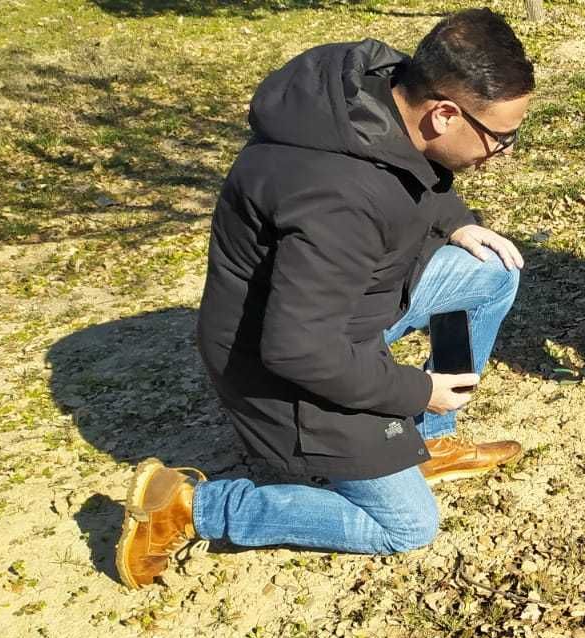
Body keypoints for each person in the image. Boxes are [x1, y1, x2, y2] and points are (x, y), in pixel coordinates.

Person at [116, 8, 535, 588]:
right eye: (501, 136)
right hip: (287, 374)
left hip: (351, 311)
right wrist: (418, 388)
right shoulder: (338, 197)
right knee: (407, 527)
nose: (506, 150)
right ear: (443, 114)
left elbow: (413, 176)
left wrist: (456, 220)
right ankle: (188, 509)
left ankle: (426, 441)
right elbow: (298, 351)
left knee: (489, 273)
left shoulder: (374, 90)